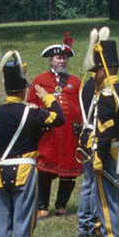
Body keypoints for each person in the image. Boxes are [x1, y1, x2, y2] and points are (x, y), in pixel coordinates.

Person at [0, 51, 65, 237]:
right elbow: (58, 118)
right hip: (24, 171)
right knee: (23, 222)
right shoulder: (30, 113)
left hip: (0, 172)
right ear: (23, 90)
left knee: (3, 222)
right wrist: (48, 98)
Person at [27, 32, 82, 218]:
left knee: (69, 171)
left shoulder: (75, 82)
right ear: (51, 60)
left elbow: (80, 105)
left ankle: (61, 204)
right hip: (48, 133)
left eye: (65, 58)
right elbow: (32, 105)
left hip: (69, 134)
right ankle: (42, 205)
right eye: (59, 58)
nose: (62, 61)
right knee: (44, 170)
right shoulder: (39, 80)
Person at [90, 37, 119, 237]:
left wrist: (98, 158)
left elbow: (105, 132)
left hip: (110, 156)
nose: (94, 74)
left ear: (103, 69)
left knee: (107, 205)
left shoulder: (107, 96)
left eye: (96, 69)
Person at [76, 27, 108, 237]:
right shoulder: (95, 88)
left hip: (87, 137)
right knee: (90, 183)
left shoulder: (87, 85)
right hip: (93, 137)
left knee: (89, 183)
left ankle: (87, 223)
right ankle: (88, 224)